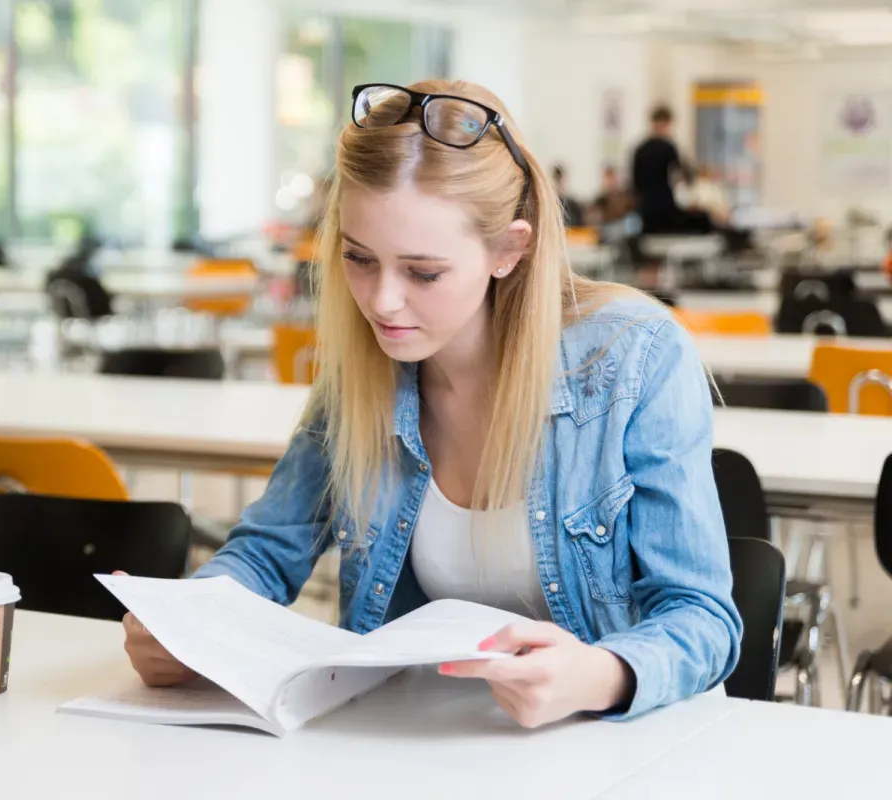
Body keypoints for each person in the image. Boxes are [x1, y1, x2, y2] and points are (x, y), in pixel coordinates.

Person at [122, 79, 741, 728]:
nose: (381, 301)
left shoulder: (634, 357)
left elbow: (701, 618)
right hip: (425, 745)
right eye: (359, 259)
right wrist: (188, 623)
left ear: (509, 250)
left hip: (620, 746)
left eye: (423, 272)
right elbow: (266, 551)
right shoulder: (366, 369)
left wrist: (599, 675)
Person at [630, 106, 711, 235]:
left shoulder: (640, 149)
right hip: (665, 206)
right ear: (666, 124)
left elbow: (635, 182)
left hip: (646, 210)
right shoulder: (668, 148)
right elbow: (682, 174)